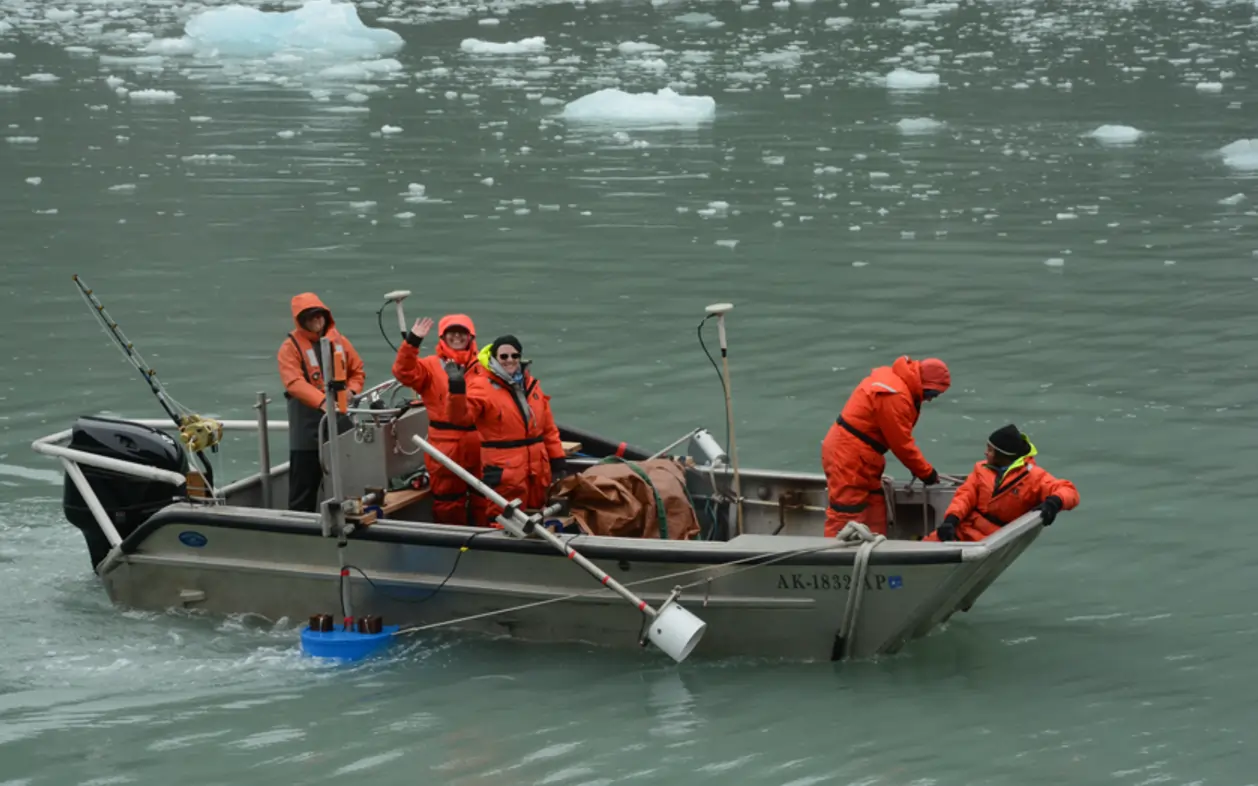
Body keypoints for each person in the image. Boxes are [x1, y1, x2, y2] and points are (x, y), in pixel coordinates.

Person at [821, 355, 951, 537]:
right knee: (847, 512)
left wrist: (919, 468)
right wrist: (926, 473)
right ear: (924, 383)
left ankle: (875, 550)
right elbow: (901, 444)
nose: (929, 399)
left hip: (864, 455)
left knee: (875, 505)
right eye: (932, 394)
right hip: (848, 454)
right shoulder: (894, 396)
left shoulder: (897, 381)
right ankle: (835, 558)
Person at [445, 335, 567, 523]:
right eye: (504, 356)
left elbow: (548, 429)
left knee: (538, 515)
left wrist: (557, 459)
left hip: (537, 470)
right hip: (505, 472)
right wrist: (456, 390)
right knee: (503, 520)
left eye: (514, 355)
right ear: (494, 358)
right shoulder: (481, 386)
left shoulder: (532, 386)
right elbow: (460, 418)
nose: (510, 360)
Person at [391, 313, 486, 526]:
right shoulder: (430, 366)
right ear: (443, 336)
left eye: (462, 333)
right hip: (445, 445)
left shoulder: (484, 366)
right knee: (448, 502)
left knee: (485, 498)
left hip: (480, 442)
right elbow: (403, 372)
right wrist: (412, 341)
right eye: (451, 333)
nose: (457, 337)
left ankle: (486, 543)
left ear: (471, 336)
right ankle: (453, 545)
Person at [277, 293, 365, 512]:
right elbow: (294, 382)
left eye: (319, 315)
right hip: (307, 430)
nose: (316, 321)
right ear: (301, 321)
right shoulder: (290, 348)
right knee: (304, 485)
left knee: (350, 477)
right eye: (310, 317)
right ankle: (299, 531)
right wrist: (323, 402)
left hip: (341, 422)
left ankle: (351, 519)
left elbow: (357, 371)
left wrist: (352, 391)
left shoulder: (340, 342)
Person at [925, 424, 1079, 542]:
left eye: (990, 450)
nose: (986, 453)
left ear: (1003, 455)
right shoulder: (981, 469)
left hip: (994, 539)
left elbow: (1069, 491)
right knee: (926, 547)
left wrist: (1054, 502)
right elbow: (964, 496)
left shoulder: (1033, 477)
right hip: (962, 529)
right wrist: (951, 520)